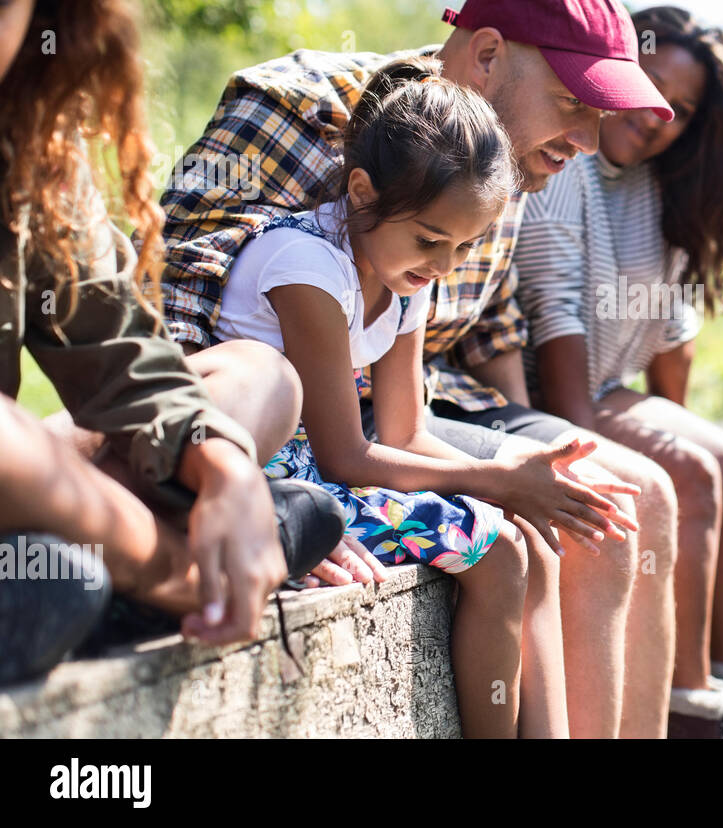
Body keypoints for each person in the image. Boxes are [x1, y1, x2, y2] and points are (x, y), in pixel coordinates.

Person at [152, 0, 683, 737]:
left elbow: (481, 333)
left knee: (634, 501)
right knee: (559, 526)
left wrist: (535, 466)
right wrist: (234, 485)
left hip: (404, 416)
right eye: (574, 103)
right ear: (489, 54)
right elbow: (170, 290)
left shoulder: (500, 173)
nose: (587, 141)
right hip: (274, 431)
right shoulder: (301, 110)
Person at [211, 56, 636, 736]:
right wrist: (497, 476)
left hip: (320, 471)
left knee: (530, 539)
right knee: (495, 553)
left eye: (463, 249)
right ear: (360, 190)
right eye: (431, 240)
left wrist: (519, 487)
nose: (441, 267)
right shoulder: (305, 268)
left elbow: (406, 432)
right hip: (263, 477)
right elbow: (347, 455)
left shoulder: (403, 274)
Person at [0, 0, 343, 686]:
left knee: (257, 377)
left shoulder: (25, 151)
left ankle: (78, 569)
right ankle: (170, 574)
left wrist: (219, 467)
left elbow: (120, 349)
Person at [515, 6, 723, 737]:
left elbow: (674, 340)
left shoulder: (668, 187)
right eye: (649, 85)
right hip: (544, 393)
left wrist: (678, 428)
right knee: (689, 476)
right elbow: (556, 313)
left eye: (683, 109)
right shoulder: (568, 166)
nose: (658, 113)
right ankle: (691, 709)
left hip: (610, 388)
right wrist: (598, 449)